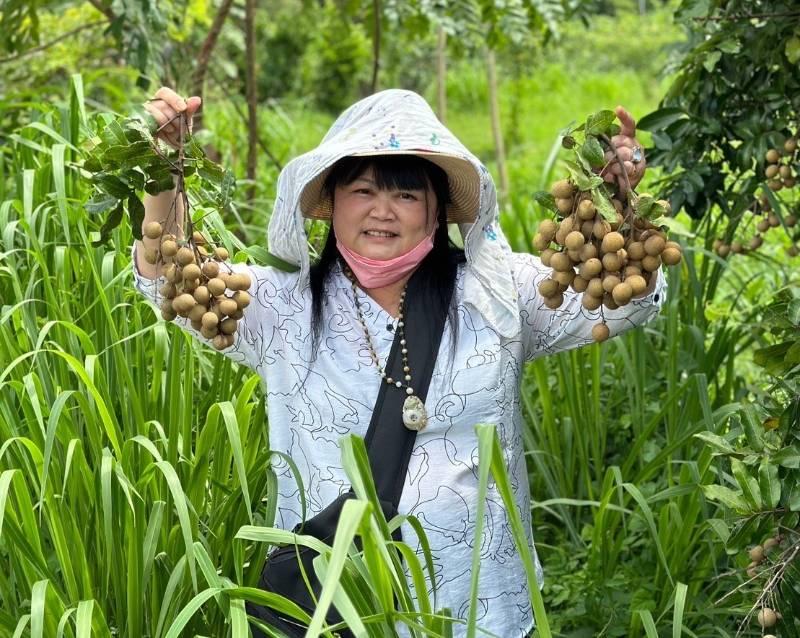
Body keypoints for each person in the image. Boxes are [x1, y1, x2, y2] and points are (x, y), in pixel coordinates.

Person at [134, 87, 666, 636]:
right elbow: (172, 285)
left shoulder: (499, 293)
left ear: (437, 211)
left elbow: (622, 301)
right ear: (331, 202)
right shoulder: (281, 304)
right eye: (362, 190)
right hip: (336, 605)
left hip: (478, 607)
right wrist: (163, 170)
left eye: (407, 196)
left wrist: (616, 204)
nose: (382, 210)